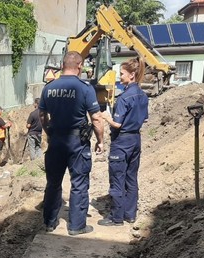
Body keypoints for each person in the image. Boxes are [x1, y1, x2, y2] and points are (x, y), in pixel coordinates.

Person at [38, 51, 104, 236]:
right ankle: (76, 226)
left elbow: (42, 115)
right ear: (80, 66)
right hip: (77, 142)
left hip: (56, 140)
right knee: (79, 183)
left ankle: (50, 223)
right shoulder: (85, 88)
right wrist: (100, 141)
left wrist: (49, 131)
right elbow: (96, 119)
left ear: (62, 65)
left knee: (53, 183)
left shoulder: (48, 88)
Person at [98, 57, 148, 226]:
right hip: (136, 139)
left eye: (122, 74)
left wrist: (106, 117)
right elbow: (144, 118)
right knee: (131, 178)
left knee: (117, 178)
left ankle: (116, 217)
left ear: (132, 75)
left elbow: (117, 124)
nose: (120, 77)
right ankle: (130, 214)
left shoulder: (125, 97)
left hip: (122, 141)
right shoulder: (142, 95)